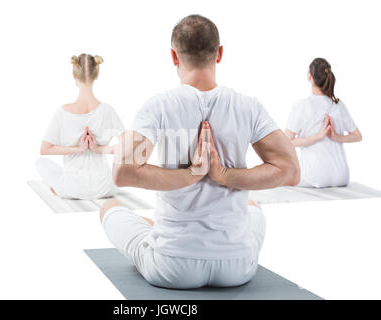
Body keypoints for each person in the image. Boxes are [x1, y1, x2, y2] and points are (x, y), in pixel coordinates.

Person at [99, 15, 300, 289]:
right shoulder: (248, 107)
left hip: (173, 266)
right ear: (219, 53)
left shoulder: (158, 106)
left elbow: (122, 172)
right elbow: (290, 171)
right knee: (253, 208)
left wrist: (190, 176)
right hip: (237, 268)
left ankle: (154, 230)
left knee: (108, 206)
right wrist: (223, 176)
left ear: (173, 56)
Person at [36, 54, 125, 200]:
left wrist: (78, 149)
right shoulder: (108, 110)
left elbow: (44, 150)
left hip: (72, 189)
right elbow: (128, 146)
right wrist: (99, 149)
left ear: (73, 75)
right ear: (97, 75)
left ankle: (57, 188)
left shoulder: (62, 112)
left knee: (40, 163)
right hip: (104, 188)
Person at [285, 58, 362, 188]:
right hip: (341, 176)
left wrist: (318, 137)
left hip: (315, 177)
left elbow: (286, 142)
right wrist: (336, 137)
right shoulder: (338, 105)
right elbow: (357, 136)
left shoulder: (302, 106)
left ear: (309, 76)